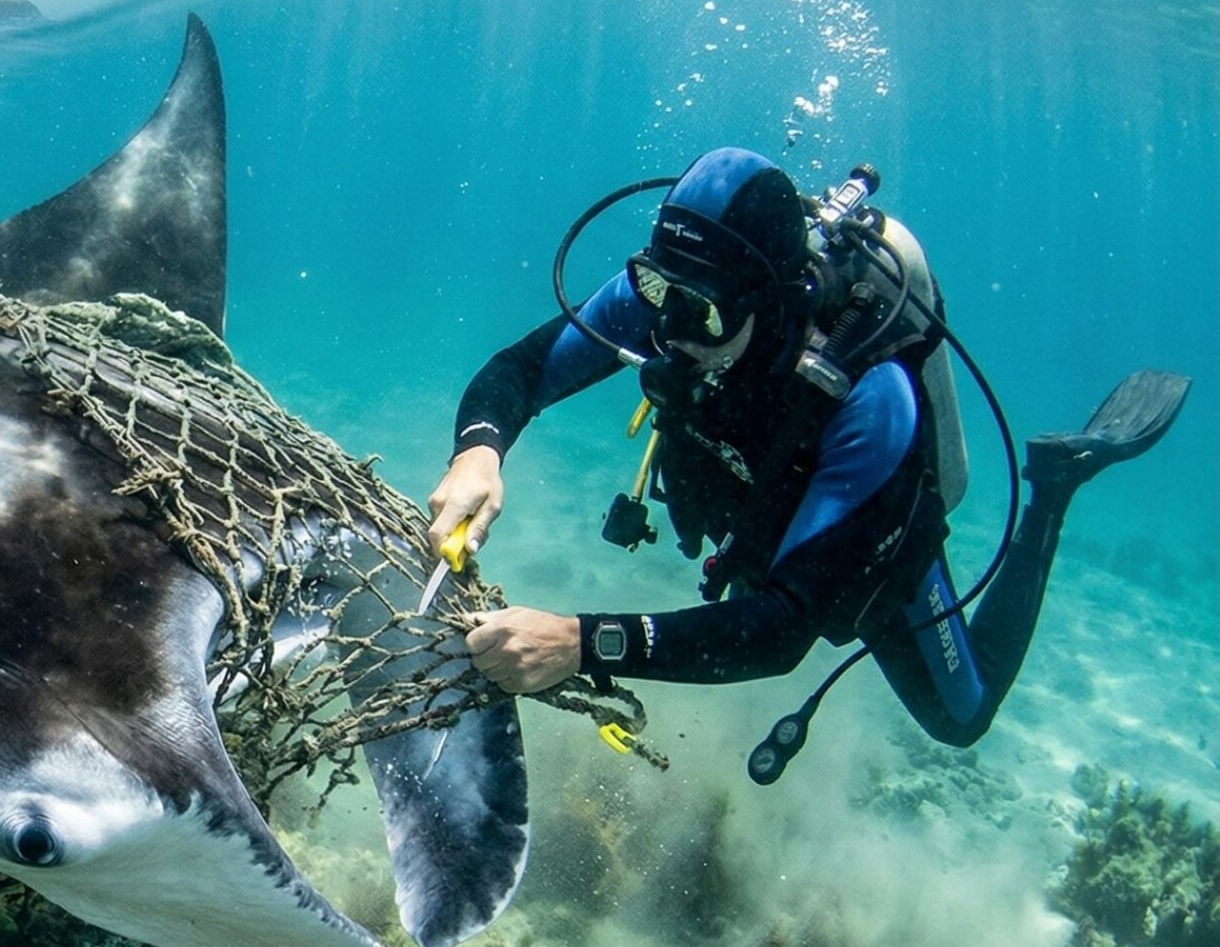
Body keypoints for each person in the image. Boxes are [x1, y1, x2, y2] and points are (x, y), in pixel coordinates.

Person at [425, 146, 1189, 759]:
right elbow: (519, 371)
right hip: (750, 495)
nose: (674, 332)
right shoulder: (678, 294)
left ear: (767, 298)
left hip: (859, 539)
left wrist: (582, 643)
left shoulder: (871, 399)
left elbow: (784, 629)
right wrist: (478, 455)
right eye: (660, 291)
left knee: (962, 719)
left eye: (703, 310)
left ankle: (1054, 490)